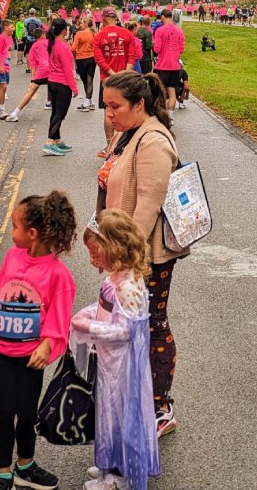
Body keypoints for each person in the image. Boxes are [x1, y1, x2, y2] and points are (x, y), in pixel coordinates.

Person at [0, 191, 76, 490]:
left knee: (26, 414)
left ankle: (25, 465)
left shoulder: (58, 275)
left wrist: (47, 344)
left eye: (14, 226)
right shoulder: (13, 257)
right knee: (4, 412)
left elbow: (60, 320)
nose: (10, 231)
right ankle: (3, 472)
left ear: (32, 233)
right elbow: (0, 294)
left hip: (29, 357)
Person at [98, 71, 187, 438]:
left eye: (115, 106)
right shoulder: (127, 133)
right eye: (105, 106)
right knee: (131, 328)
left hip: (145, 256)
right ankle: (138, 398)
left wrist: (128, 262)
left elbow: (147, 206)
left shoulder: (153, 142)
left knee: (152, 325)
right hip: (123, 251)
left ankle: (160, 408)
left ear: (139, 104)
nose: (109, 114)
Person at [72, 209, 162, 490]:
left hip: (124, 370)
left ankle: (121, 477)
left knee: (122, 420)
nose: (91, 259)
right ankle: (110, 464)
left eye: (95, 252)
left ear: (114, 248)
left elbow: (125, 331)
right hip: (110, 364)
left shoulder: (129, 286)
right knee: (108, 416)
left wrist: (88, 328)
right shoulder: (115, 278)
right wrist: (88, 314)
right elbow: (106, 310)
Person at [94, 8, 140, 156]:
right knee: (126, 110)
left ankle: (110, 146)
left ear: (105, 19)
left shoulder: (99, 36)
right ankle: (126, 145)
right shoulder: (126, 33)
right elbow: (132, 55)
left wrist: (112, 74)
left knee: (109, 113)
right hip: (125, 78)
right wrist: (125, 73)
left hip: (107, 80)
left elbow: (99, 59)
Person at [40, 19, 78, 156]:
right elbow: (68, 69)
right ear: (64, 31)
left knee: (55, 112)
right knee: (60, 114)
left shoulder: (52, 44)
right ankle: (49, 142)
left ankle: (57, 140)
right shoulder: (64, 46)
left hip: (52, 82)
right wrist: (74, 87)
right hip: (63, 84)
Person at [152, 8, 186, 112]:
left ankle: (161, 116)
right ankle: (170, 117)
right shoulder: (180, 31)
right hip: (175, 67)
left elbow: (157, 49)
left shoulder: (160, 30)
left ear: (163, 16)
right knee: (172, 93)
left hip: (162, 66)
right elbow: (182, 50)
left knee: (160, 93)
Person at [73, 15, 98, 111]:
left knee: (85, 82)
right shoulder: (94, 33)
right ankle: (90, 101)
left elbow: (73, 48)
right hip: (92, 59)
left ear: (86, 24)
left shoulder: (79, 34)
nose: (80, 24)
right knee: (90, 80)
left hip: (81, 59)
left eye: (82, 22)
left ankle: (87, 102)